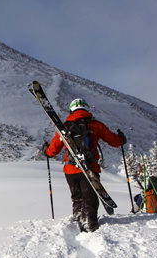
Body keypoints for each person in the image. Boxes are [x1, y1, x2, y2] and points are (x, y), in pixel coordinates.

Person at [45, 98, 126, 232]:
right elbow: (114, 141)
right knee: (90, 198)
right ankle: (90, 225)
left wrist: (46, 151)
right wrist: (122, 138)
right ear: (86, 109)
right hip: (90, 169)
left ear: (71, 110)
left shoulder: (64, 127)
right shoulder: (96, 125)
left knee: (77, 197)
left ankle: (77, 222)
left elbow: (52, 150)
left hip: (70, 169)